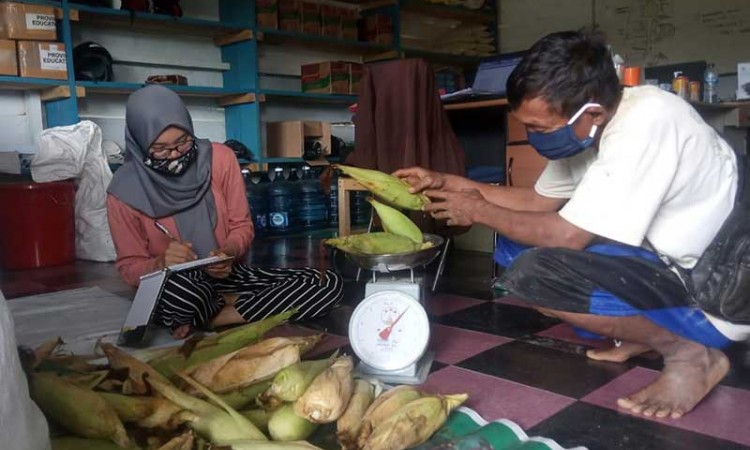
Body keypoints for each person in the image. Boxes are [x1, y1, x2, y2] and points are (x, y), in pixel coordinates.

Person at [395, 30, 749, 420]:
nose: (533, 139)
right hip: (666, 264)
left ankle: (691, 355)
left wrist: (477, 211)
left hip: (716, 290)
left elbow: (567, 234)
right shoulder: (586, 133)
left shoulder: (649, 119)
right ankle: (644, 333)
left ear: (592, 112)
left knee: (536, 274)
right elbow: (534, 202)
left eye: (541, 129)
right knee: (516, 249)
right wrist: (445, 182)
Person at [107, 85, 343, 339]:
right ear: (140, 144)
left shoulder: (220, 159)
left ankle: (220, 315)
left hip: (230, 275)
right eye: (161, 150)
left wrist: (228, 252)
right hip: (177, 286)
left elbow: (242, 225)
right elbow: (129, 267)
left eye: (183, 142)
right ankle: (243, 305)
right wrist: (161, 263)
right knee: (178, 296)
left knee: (327, 282)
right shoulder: (123, 192)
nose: (175, 155)